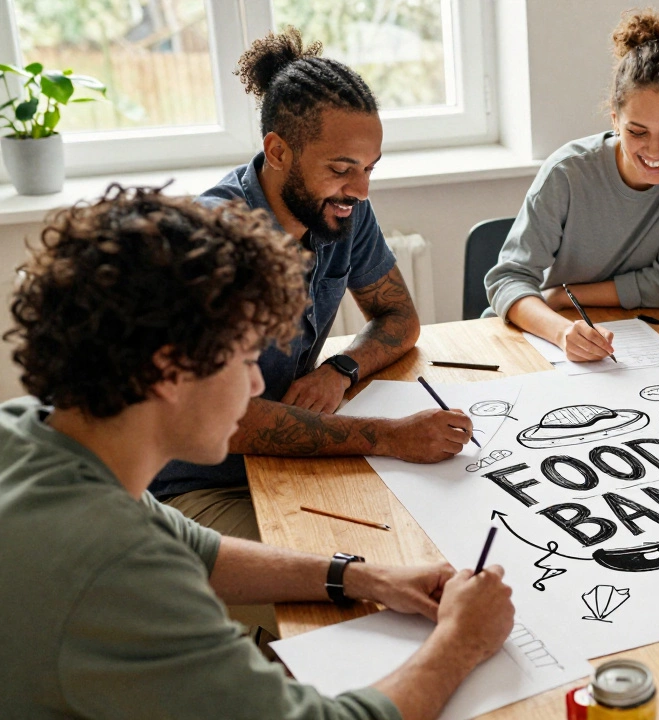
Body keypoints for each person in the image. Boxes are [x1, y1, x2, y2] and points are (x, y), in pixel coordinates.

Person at [0, 186, 516, 719]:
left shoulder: (26, 429)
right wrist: (462, 641)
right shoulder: (121, 573)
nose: (253, 385)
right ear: (169, 370)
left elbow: (196, 551)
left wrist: (367, 576)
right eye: (246, 358)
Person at [150, 28, 474, 541]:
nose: (362, 190)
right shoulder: (214, 243)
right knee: (365, 560)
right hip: (194, 487)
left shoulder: (341, 210)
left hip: (290, 458)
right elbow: (227, 420)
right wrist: (388, 437)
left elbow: (400, 319)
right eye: (342, 169)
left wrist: (340, 370)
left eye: (369, 168)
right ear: (277, 151)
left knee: (436, 527)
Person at [485, 9, 659, 361]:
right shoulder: (566, 172)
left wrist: (567, 294)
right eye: (637, 132)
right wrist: (561, 328)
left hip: (632, 332)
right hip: (540, 337)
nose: (655, 150)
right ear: (614, 117)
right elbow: (508, 280)